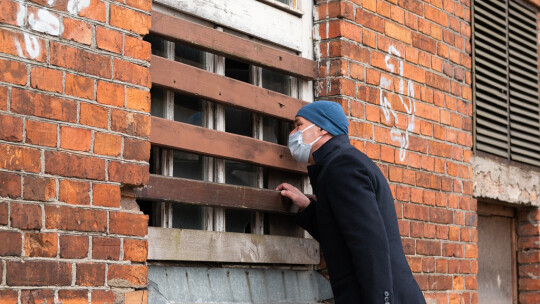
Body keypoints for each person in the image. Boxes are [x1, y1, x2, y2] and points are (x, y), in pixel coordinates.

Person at [276, 100, 426, 304]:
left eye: (298, 125)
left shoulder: (342, 167)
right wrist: (309, 207)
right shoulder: (341, 163)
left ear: (321, 128)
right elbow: (343, 234)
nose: (293, 133)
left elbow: (369, 245)